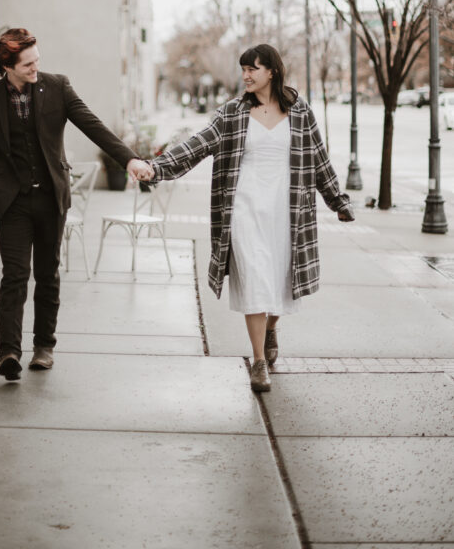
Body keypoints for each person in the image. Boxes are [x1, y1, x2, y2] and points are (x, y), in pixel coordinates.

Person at [136, 43, 354, 392]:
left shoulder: (299, 113)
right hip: (244, 209)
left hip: (287, 210)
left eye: (253, 68)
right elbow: (196, 145)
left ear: (272, 71)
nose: (246, 75)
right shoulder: (232, 114)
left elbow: (318, 159)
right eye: (244, 70)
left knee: (281, 280)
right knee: (254, 278)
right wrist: (155, 167)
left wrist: (337, 200)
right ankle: (257, 361)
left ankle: (270, 328)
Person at [0, 28, 150, 381]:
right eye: (27, 64)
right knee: (14, 276)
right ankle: (8, 351)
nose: (35, 67)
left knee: (47, 274)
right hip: (13, 203)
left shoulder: (57, 86)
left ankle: (44, 347)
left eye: (37, 60)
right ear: (7, 65)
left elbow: (92, 125)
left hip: (51, 196)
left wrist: (129, 160)